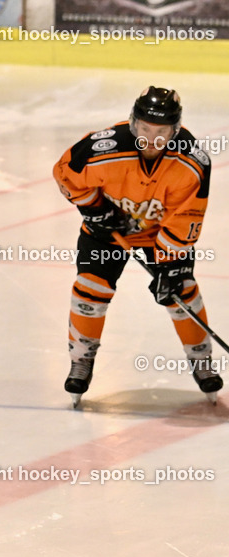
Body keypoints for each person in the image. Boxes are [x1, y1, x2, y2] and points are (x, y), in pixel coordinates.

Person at [54, 86, 222, 406]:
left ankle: (202, 361)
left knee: (181, 292)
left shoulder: (191, 161)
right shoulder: (103, 148)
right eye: (145, 128)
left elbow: (186, 217)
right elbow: (65, 173)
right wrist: (95, 209)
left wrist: (170, 266)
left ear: (174, 130)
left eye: (161, 132)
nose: (151, 138)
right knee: (90, 289)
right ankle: (81, 359)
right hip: (107, 231)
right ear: (133, 123)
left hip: (160, 234)